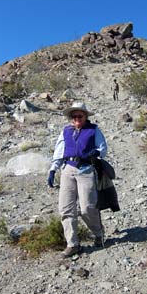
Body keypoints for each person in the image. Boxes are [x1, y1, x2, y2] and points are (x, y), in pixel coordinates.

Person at [47, 102, 107, 257]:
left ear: (85, 116)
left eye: (80, 116)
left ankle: (98, 233)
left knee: (87, 207)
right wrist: (53, 169)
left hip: (86, 170)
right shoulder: (66, 131)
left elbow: (103, 148)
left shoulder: (93, 130)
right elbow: (59, 151)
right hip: (67, 170)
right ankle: (73, 244)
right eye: (74, 116)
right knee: (65, 208)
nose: (77, 119)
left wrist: (95, 153)